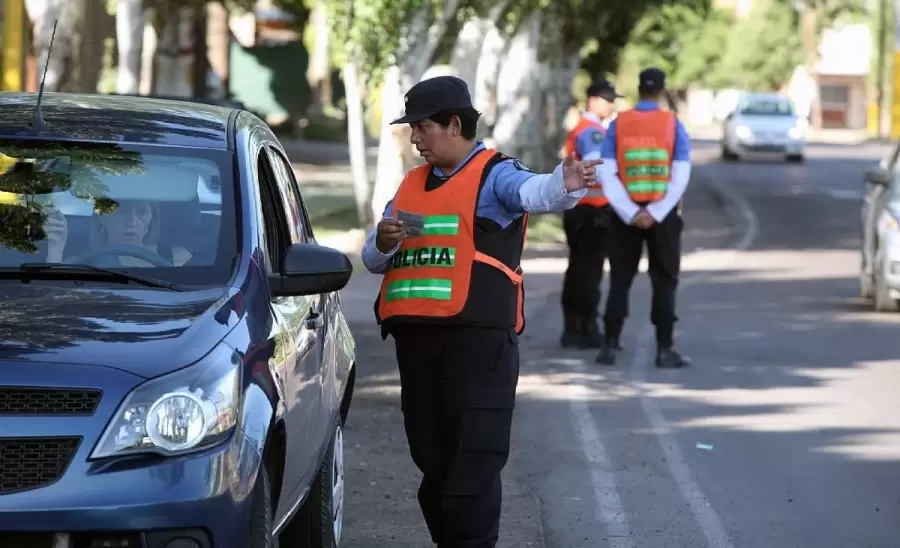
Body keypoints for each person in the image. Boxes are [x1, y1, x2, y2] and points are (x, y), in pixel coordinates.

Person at [361, 75, 601, 548]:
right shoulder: (410, 185)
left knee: (473, 466)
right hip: (419, 349)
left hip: (478, 347)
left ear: (454, 125)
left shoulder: (495, 175)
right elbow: (372, 257)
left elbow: (534, 193)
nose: (414, 139)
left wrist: (565, 184)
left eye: (421, 128)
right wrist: (384, 242)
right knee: (434, 465)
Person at [594, 68, 691, 369]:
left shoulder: (619, 124)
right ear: (661, 91)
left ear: (638, 90)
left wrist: (630, 211)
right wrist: (656, 212)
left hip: (626, 217)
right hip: (662, 217)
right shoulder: (672, 123)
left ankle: (609, 346)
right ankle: (664, 349)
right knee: (664, 280)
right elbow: (680, 173)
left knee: (620, 279)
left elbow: (607, 171)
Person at [559, 79, 622, 349]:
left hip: (579, 210)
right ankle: (586, 328)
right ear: (594, 100)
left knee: (577, 270)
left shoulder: (582, 129)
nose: (612, 105)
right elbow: (600, 168)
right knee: (589, 272)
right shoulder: (592, 132)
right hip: (591, 213)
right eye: (609, 100)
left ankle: (573, 328)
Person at [47, 199, 193, 266]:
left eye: (141, 212)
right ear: (102, 218)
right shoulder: (81, 263)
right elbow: (50, 293)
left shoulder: (178, 259)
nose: (132, 220)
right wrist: (55, 248)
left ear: (152, 219)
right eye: (121, 211)